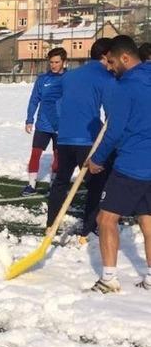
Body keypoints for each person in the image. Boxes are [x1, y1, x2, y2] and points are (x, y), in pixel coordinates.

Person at [87, 35, 151, 293]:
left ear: (125, 58)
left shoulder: (126, 87)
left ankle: (109, 278)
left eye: (112, 62)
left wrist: (97, 160)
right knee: (147, 220)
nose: (110, 67)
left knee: (106, 219)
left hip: (132, 165)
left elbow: (113, 131)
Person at [46, 38, 116, 245]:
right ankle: (88, 228)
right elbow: (112, 112)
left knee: (60, 181)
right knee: (96, 183)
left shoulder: (71, 76)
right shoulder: (106, 78)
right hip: (88, 140)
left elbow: (60, 101)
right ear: (105, 56)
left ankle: (51, 223)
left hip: (65, 137)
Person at [22, 47, 66, 196]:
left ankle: (53, 184)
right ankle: (31, 185)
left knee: (58, 155)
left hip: (62, 126)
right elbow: (34, 100)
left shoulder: (70, 79)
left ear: (64, 62)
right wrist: (29, 119)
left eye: (57, 62)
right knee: (35, 153)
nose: (53, 65)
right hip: (43, 125)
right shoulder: (43, 80)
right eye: (51, 62)